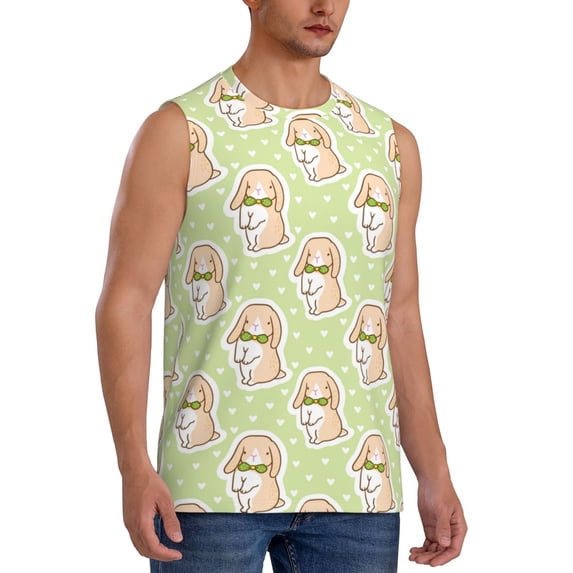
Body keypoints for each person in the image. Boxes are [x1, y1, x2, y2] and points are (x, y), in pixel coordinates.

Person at [96, 1, 467, 571]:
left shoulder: (389, 145)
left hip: (359, 487)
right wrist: (132, 467)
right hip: (209, 487)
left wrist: (434, 471)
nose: (324, 6)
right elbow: (125, 304)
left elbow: (401, 317)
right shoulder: (181, 132)